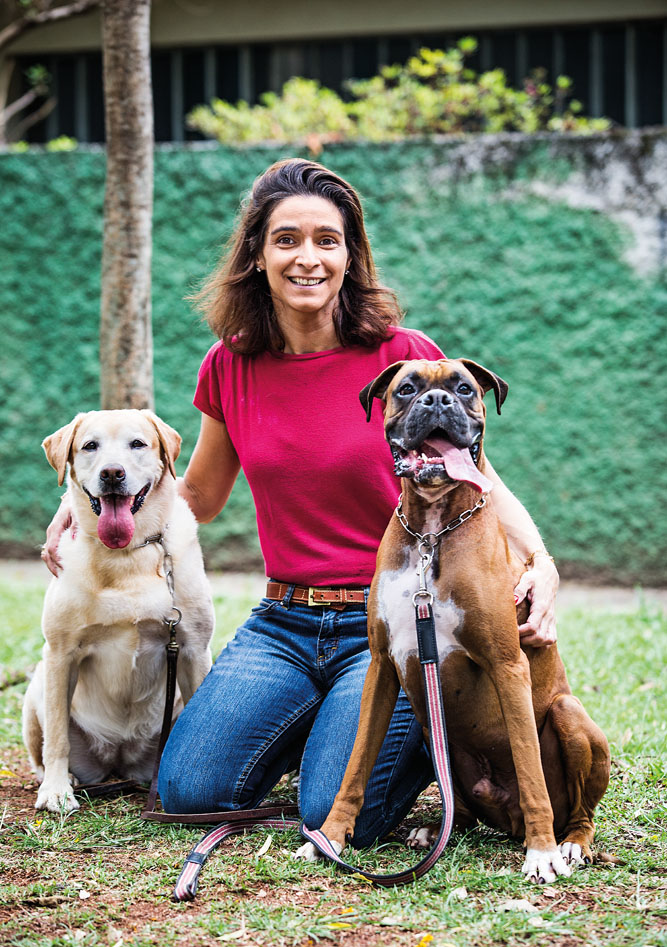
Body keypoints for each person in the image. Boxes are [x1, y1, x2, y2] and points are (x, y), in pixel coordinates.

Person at [42, 157, 559, 845]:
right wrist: (86, 504)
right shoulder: (230, 363)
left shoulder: (403, 360)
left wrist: (541, 560)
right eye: (286, 239)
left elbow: (477, 477)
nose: (306, 258)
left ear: (349, 256)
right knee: (188, 790)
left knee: (332, 814)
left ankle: (359, 734)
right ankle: (314, 721)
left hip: (389, 626)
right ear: (257, 255)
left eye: (326, 240)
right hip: (282, 623)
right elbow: (195, 495)